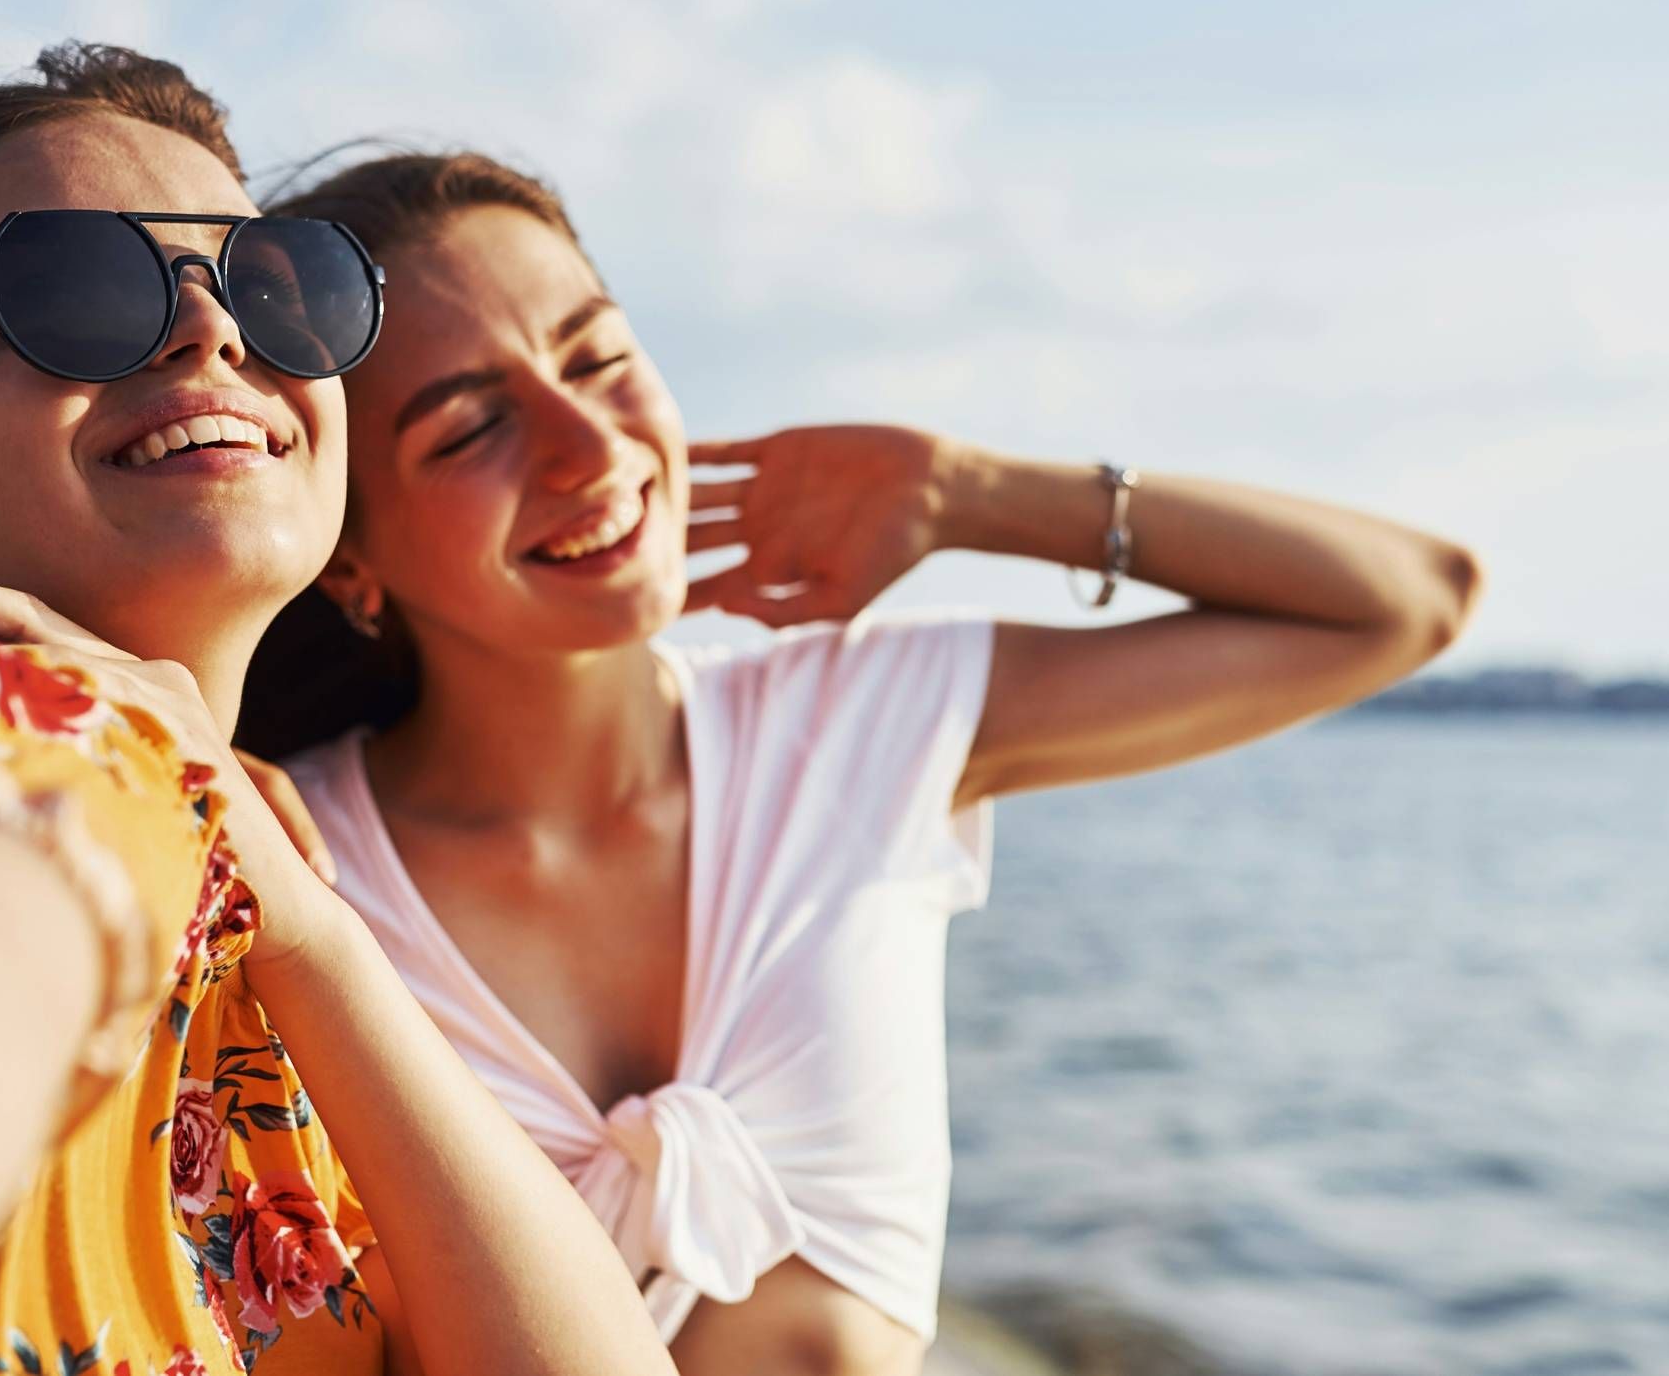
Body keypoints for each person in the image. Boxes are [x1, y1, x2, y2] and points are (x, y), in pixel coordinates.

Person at [242, 151, 1484, 1376]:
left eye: (602, 359)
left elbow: (1408, 604)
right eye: (470, 430)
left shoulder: (856, 724)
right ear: (347, 551)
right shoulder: (296, 872)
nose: (585, 446)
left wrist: (965, 491)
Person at [0, 52, 675, 1376]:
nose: (211, 331)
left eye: (270, 284)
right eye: (73, 289)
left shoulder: (274, 850)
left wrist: (304, 924)